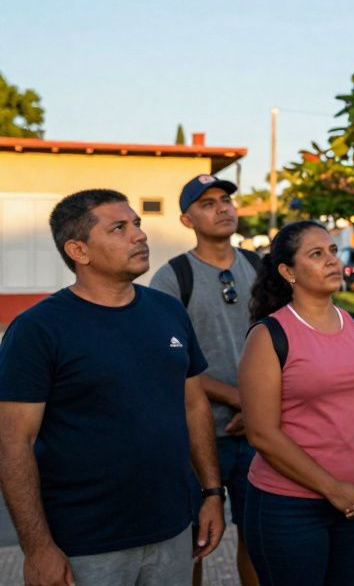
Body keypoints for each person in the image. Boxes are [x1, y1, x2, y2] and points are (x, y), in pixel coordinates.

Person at [0, 188, 224, 586]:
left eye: (137, 223)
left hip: (173, 530)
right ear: (79, 251)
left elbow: (194, 406)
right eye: (119, 228)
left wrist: (211, 494)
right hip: (84, 544)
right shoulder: (37, 330)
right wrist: (37, 548)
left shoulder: (168, 311)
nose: (139, 235)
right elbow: (13, 442)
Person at [238, 220, 354, 585]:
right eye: (316, 254)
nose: (331, 260)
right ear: (287, 271)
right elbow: (262, 434)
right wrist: (331, 489)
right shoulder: (269, 335)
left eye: (332, 251)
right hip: (288, 508)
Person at [150, 174, 261, 586]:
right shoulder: (172, 276)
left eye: (226, 200)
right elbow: (169, 359)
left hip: (258, 434)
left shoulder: (260, 267)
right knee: (195, 541)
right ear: (186, 219)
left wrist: (258, 410)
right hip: (199, 436)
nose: (222, 208)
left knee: (258, 537)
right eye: (208, 203)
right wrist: (240, 399)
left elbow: (289, 344)